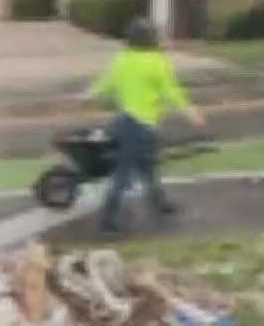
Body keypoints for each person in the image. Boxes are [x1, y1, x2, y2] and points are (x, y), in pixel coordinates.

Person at [87, 16, 205, 235]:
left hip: (124, 122)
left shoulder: (122, 59)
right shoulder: (157, 62)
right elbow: (172, 92)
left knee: (148, 168)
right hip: (143, 126)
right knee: (125, 173)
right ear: (151, 39)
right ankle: (107, 220)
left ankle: (160, 204)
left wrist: (87, 94)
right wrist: (191, 113)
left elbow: (106, 84)